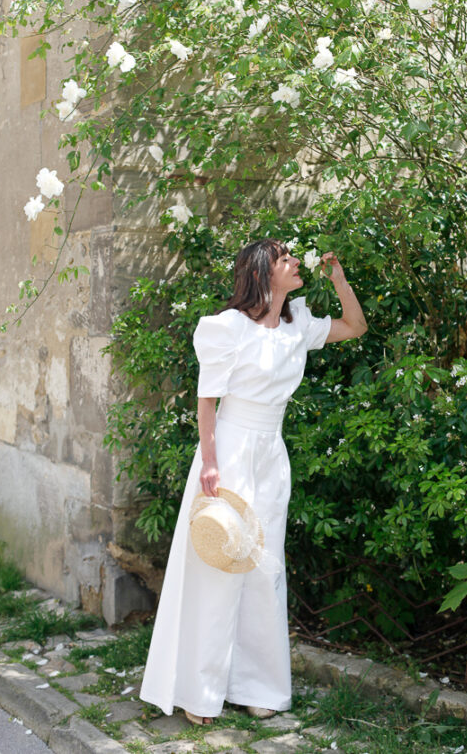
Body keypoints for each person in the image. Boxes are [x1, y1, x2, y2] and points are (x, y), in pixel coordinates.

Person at [139, 239, 367, 724]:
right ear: (264, 273)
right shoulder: (228, 329)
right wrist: (209, 462)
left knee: (264, 568)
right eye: (286, 259)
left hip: (271, 454)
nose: (296, 262)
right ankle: (197, 691)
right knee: (218, 566)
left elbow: (355, 326)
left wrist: (340, 282)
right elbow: (207, 400)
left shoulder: (297, 326)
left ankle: (256, 687)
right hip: (230, 449)